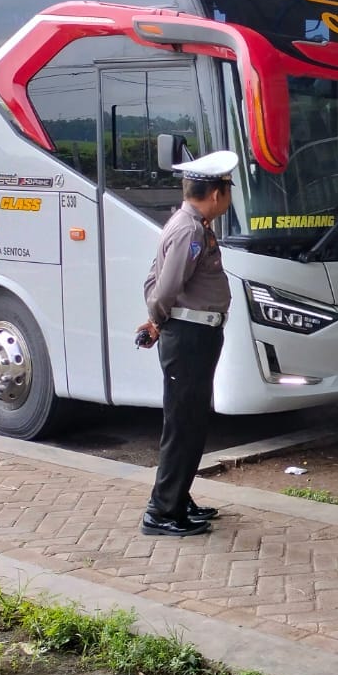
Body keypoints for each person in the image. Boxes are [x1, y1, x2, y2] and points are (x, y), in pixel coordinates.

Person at [135, 150, 237, 538]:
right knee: (183, 426)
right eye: (228, 190)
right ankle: (161, 512)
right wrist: (157, 321)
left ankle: (178, 499)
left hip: (197, 335)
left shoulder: (191, 225)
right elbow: (163, 288)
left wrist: (158, 319)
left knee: (190, 423)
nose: (228, 198)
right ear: (216, 193)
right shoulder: (189, 230)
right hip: (189, 337)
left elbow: (155, 278)